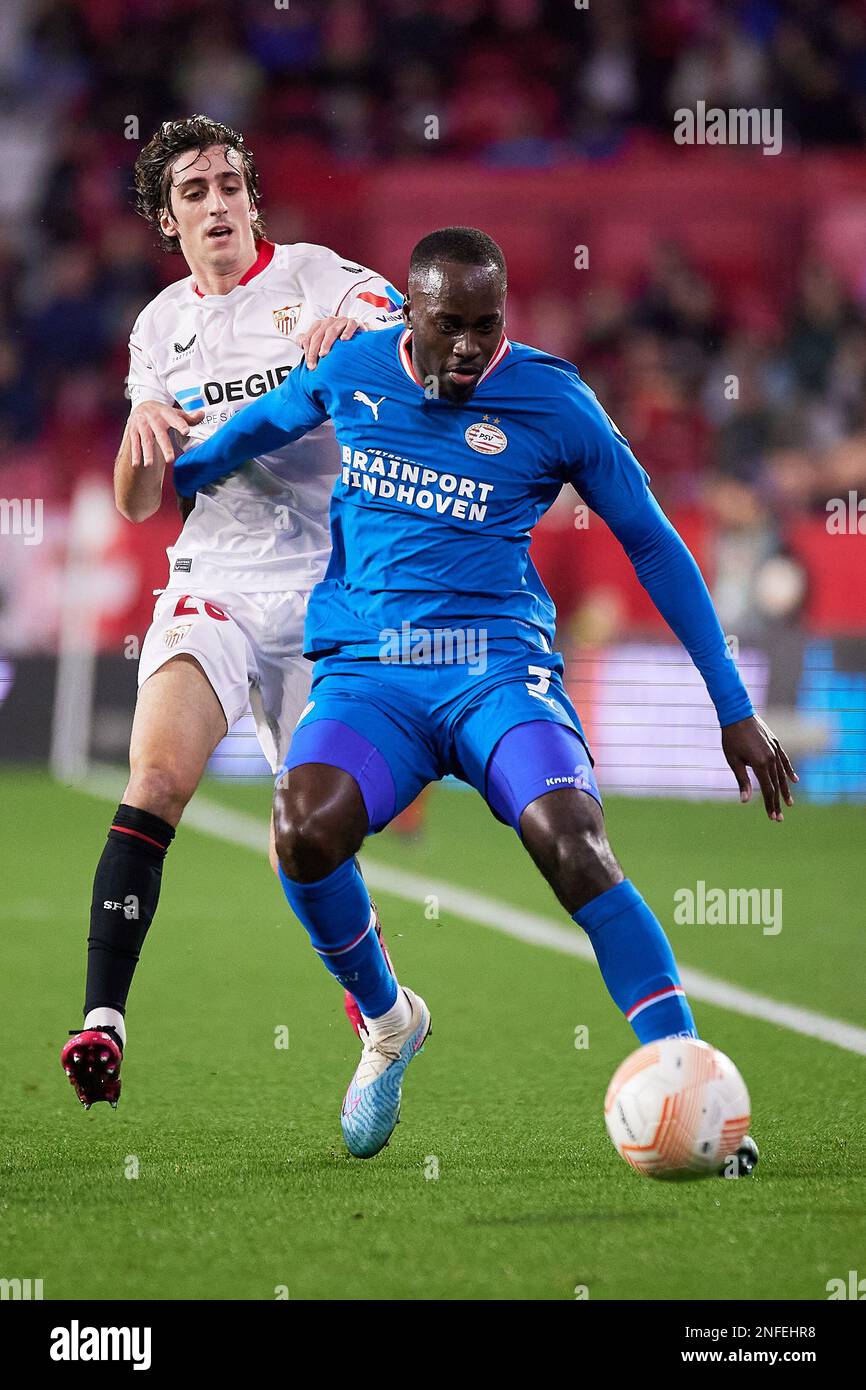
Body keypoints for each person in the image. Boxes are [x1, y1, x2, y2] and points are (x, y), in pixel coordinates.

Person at [173, 226, 797, 1160]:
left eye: (487, 325)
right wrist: (170, 471)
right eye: (449, 326)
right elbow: (258, 430)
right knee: (302, 834)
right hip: (371, 674)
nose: (469, 346)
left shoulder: (555, 400)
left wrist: (733, 706)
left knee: (574, 844)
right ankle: (388, 1020)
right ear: (408, 314)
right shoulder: (354, 369)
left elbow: (656, 545)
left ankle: (685, 1071)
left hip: (496, 670)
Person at [60, 115, 404, 1109]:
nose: (217, 205)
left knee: (303, 838)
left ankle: (382, 1013)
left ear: (253, 198)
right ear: (168, 221)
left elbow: (398, 316)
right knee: (156, 776)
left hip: (325, 592)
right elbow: (136, 500)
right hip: (211, 578)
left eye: (229, 186)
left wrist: (363, 325)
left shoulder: (313, 276)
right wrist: (138, 434)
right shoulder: (159, 326)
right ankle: (102, 1023)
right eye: (194, 193)